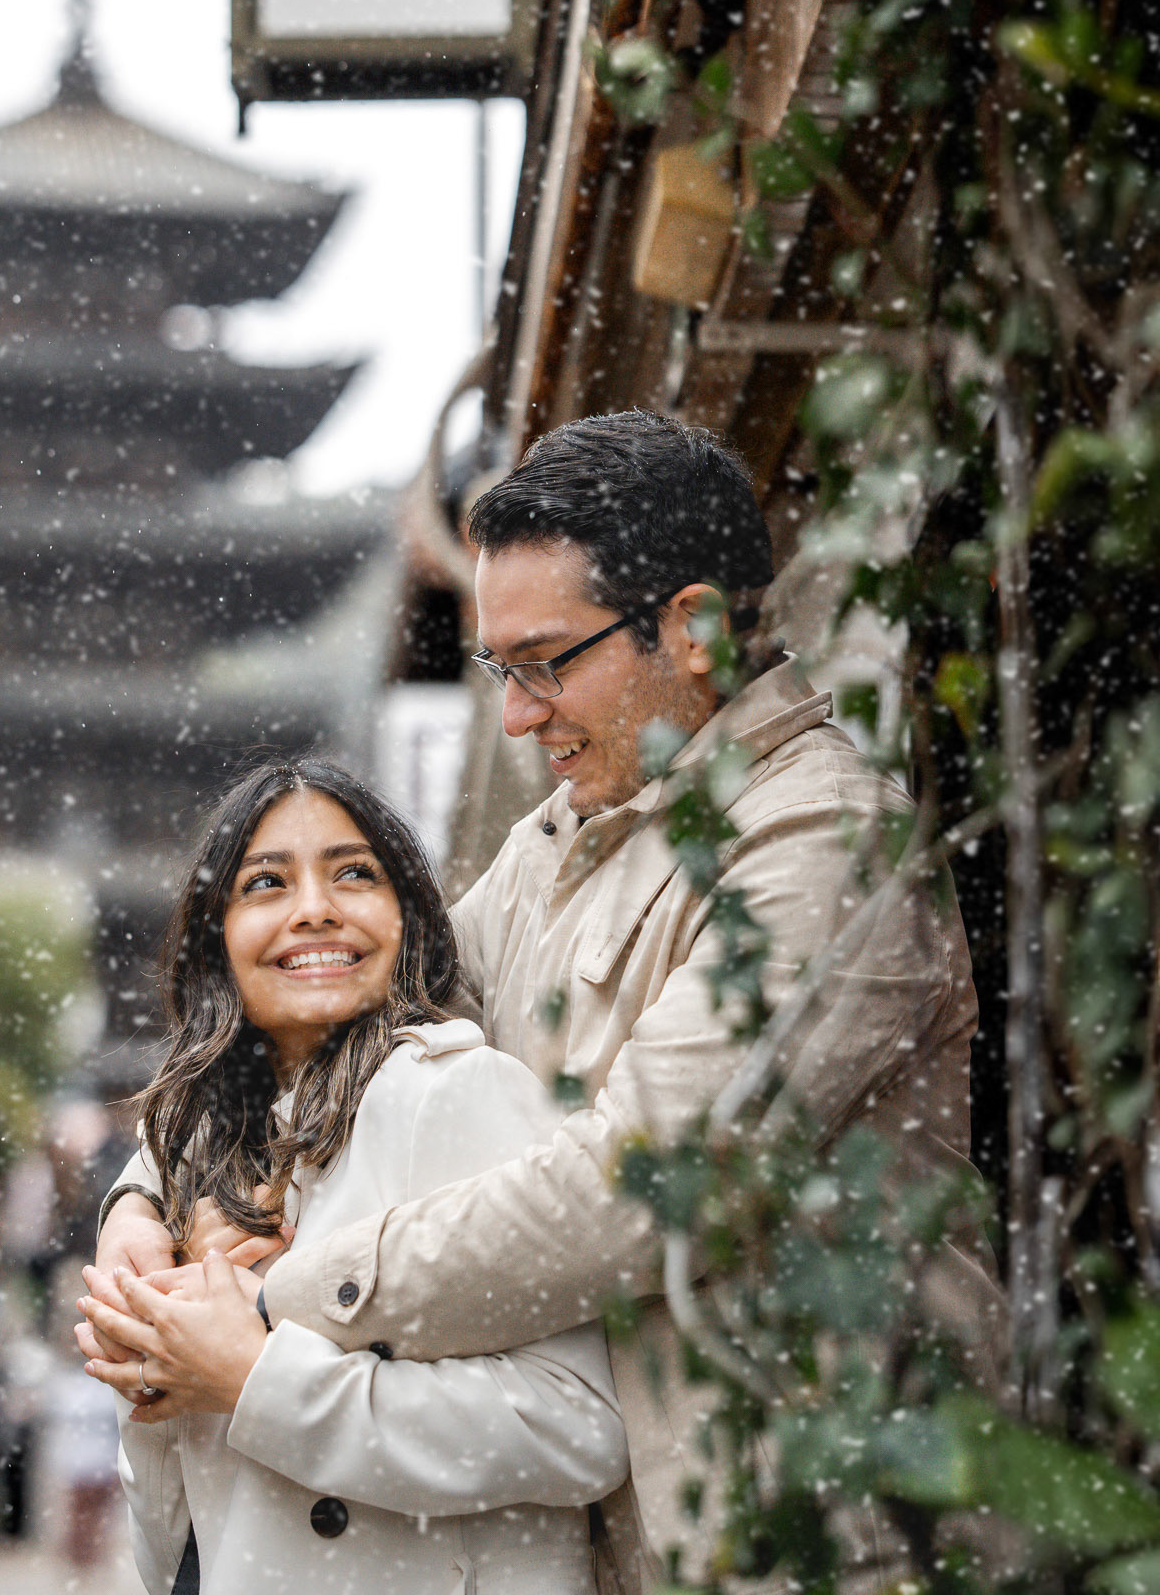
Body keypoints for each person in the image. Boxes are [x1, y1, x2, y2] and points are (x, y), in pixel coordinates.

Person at [87, 412, 1006, 1590]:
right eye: (496, 670)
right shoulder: (562, 838)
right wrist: (145, 1212)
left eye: (547, 660)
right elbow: (338, 1012)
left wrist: (270, 1300)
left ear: (697, 627)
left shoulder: (828, 841)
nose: (518, 713)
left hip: (824, 1536)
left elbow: (647, 1185)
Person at [79, 758, 628, 1594]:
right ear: (213, 940)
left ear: (407, 917)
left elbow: (577, 1427)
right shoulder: (208, 1144)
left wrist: (258, 1381)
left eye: (354, 875)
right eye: (265, 883)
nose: (313, 911)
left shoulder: (451, 1093)